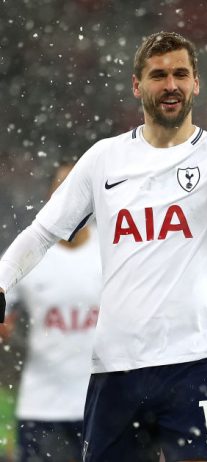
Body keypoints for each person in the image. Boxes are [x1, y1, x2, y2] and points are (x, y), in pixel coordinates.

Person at [0, 30, 207, 462]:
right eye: (158, 75)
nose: (170, 85)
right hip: (115, 367)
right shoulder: (104, 159)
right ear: (137, 85)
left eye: (180, 73)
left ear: (196, 83)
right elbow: (42, 232)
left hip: (195, 363)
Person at [0, 163, 101, 462]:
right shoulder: (27, 253)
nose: (71, 198)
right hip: (42, 404)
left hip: (102, 402)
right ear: (49, 198)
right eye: (62, 189)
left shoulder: (113, 249)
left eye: (78, 189)